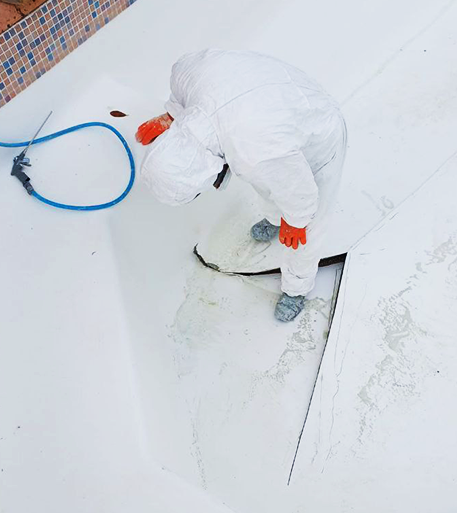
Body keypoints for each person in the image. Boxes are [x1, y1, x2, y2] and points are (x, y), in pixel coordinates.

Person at [136, 49, 347, 321]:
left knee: (307, 229)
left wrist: (296, 221)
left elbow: (302, 192)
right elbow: (183, 95)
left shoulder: (255, 152)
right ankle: (274, 218)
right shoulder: (185, 77)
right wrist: (172, 115)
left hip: (319, 129)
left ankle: (297, 288)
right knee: (267, 182)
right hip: (274, 99)